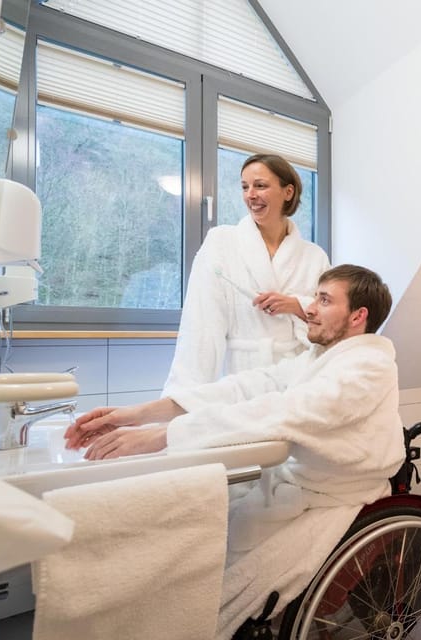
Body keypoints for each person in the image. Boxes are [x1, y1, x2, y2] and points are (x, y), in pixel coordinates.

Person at [65, 265, 402, 634]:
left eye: (324, 300)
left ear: (357, 316)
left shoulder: (370, 367)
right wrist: (139, 414)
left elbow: (288, 409)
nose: (309, 308)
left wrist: (164, 436)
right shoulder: (320, 358)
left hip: (335, 496)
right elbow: (248, 387)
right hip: (294, 485)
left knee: (215, 567)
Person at [162, 153, 330, 396]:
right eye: (244, 187)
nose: (250, 195)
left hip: (298, 377)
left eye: (260, 185)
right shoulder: (221, 242)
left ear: (288, 192)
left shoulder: (314, 256)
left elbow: (332, 319)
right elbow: (201, 326)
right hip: (244, 378)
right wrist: (185, 398)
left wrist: (296, 305)